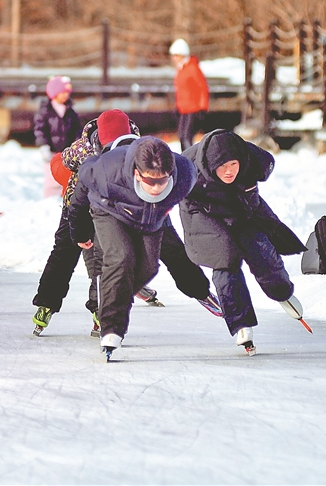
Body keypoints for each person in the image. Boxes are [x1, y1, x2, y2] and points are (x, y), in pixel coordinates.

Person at [31, 109, 222, 337]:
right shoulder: (82, 150)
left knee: (168, 244)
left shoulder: (139, 147)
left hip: (135, 201)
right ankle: (48, 303)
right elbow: (58, 166)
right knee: (69, 248)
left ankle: (199, 291)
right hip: (82, 202)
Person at [179, 130, 309, 355]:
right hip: (202, 213)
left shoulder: (253, 162)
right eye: (222, 166)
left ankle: (282, 291)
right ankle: (240, 323)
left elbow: (253, 201)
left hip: (240, 208)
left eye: (233, 164)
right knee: (225, 258)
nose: (229, 171)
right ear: (211, 165)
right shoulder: (190, 172)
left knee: (261, 249)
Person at [68, 136, 197, 360]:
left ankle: (115, 296)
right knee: (121, 257)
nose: (156, 187)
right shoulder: (106, 171)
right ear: (137, 173)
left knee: (148, 268)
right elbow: (80, 192)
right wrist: (78, 231)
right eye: (150, 181)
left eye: (162, 181)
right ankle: (111, 329)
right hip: (109, 210)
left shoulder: (184, 174)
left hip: (150, 219)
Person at [33, 76, 82, 198]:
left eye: (67, 93)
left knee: (69, 179)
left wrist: (76, 146)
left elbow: (77, 130)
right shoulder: (45, 111)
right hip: (51, 153)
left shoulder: (70, 112)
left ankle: (66, 200)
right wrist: (43, 145)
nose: (66, 95)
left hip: (67, 153)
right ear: (55, 93)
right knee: (52, 180)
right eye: (63, 92)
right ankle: (50, 200)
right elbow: (39, 129)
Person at [170, 38, 209, 152]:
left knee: (187, 137)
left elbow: (203, 88)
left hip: (193, 109)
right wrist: (178, 106)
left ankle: (189, 160)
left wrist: (202, 107)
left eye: (176, 55)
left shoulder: (192, 68)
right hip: (184, 109)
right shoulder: (181, 69)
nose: (174, 58)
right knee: (182, 136)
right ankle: (185, 158)